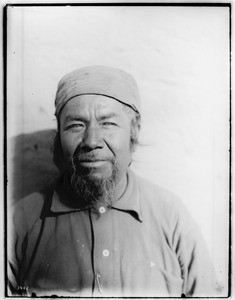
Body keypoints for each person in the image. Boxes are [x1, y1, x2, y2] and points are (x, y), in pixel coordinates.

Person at [8, 66, 216, 297]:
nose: (91, 141)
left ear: (134, 133)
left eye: (107, 123)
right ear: (59, 137)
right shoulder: (20, 221)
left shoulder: (171, 216)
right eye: (76, 125)